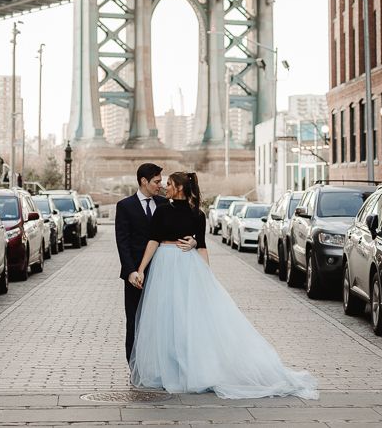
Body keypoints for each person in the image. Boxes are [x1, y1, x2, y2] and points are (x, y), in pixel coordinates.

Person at [130, 171, 318, 400]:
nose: (165, 187)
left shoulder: (197, 215)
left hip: (187, 268)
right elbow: (153, 240)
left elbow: (202, 248)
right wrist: (140, 269)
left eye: (169, 184)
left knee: (187, 320)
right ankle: (168, 370)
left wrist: (206, 277)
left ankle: (190, 369)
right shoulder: (161, 210)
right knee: (166, 318)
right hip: (164, 266)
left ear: (179, 188)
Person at [115, 163, 196, 363]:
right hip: (136, 274)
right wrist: (131, 271)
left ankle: (160, 363)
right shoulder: (125, 206)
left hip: (163, 272)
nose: (160, 186)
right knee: (135, 320)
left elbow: (183, 228)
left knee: (163, 320)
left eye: (162, 182)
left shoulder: (165, 204)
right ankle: (134, 365)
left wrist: (194, 241)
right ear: (144, 181)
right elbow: (122, 243)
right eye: (157, 181)